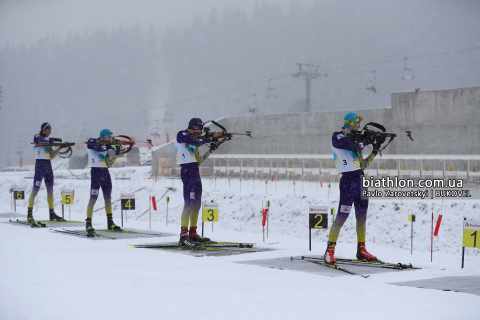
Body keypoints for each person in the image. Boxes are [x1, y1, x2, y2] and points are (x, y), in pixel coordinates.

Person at [324, 113, 381, 264]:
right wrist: (364, 141)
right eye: (357, 124)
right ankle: (329, 250)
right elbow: (353, 146)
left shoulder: (357, 140)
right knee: (342, 217)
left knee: (362, 218)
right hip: (348, 181)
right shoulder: (338, 136)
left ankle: (361, 249)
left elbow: (362, 165)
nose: (359, 127)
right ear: (349, 123)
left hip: (361, 180)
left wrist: (375, 150)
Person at [175, 118, 218, 246]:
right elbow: (195, 141)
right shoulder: (181, 135)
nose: (200, 132)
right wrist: (206, 139)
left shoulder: (194, 145)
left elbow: (198, 160)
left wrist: (210, 150)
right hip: (187, 171)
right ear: (193, 128)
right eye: (198, 129)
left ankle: (192, 233)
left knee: (197, 203)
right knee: (188, 203)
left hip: (194, 170)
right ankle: (183, 236)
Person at [85, 129, 122, 237]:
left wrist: (116, 154)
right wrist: (111, 146)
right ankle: (88, 223)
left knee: (108, 198)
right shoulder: (92, 142)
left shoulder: (107, 146)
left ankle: (110, 222)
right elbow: (97, 147)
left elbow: (109, 163)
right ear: (103, 136)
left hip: (105, 172)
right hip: (95, 172)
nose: (110, 139)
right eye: (108, 137)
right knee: (93, 198)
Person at [27, 122, 64, 222]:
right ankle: (29, 214)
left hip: (48, 166)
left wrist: (59, 147)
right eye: (48, 130)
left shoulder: (48, 143)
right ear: (43, 130)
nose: (50, 132)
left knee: (50, 190)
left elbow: (51, 156)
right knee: (35, 189)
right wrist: (53, 140)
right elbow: (38, 140)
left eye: (50, 130)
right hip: (39, 166)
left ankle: (51, 213)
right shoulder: (37, 136)